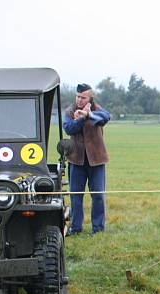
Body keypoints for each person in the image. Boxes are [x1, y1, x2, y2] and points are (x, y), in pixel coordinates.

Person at [62, 83, 111, 235]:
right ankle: (76, 228)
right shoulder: (70, 111)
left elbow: (106, 117)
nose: (79, 100)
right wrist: (81, 119)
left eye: (83, 97)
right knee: (76, 197)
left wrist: (89, 115)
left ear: (90, 98)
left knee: (98, 196)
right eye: (78, 96)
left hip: (96, 160)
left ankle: (98, 229)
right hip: (76, 160)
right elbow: (69, 128)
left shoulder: (97, 109)